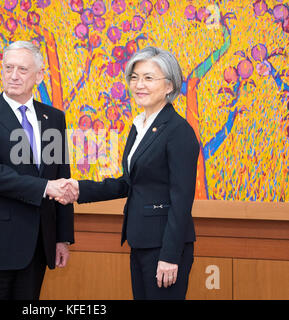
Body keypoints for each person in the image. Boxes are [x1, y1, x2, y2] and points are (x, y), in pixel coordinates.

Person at [59, 46, 199, 300]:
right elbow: (129, 183)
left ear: (169, 86)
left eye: (148, 78)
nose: (138, 85)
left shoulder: (179, 131)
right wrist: (80, 189)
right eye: (134, 77)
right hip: (140, 241)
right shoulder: (140, 126)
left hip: (164, 248)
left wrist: (169, 256)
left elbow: (182, 200)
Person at [0, 41, 74, 300]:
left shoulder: (53, 118)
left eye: (22, 69)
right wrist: (45, 188)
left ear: (39, 76)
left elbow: (60, 176)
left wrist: (62, 238)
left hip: (37, 246)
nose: (13, 75)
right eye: (8, 67)